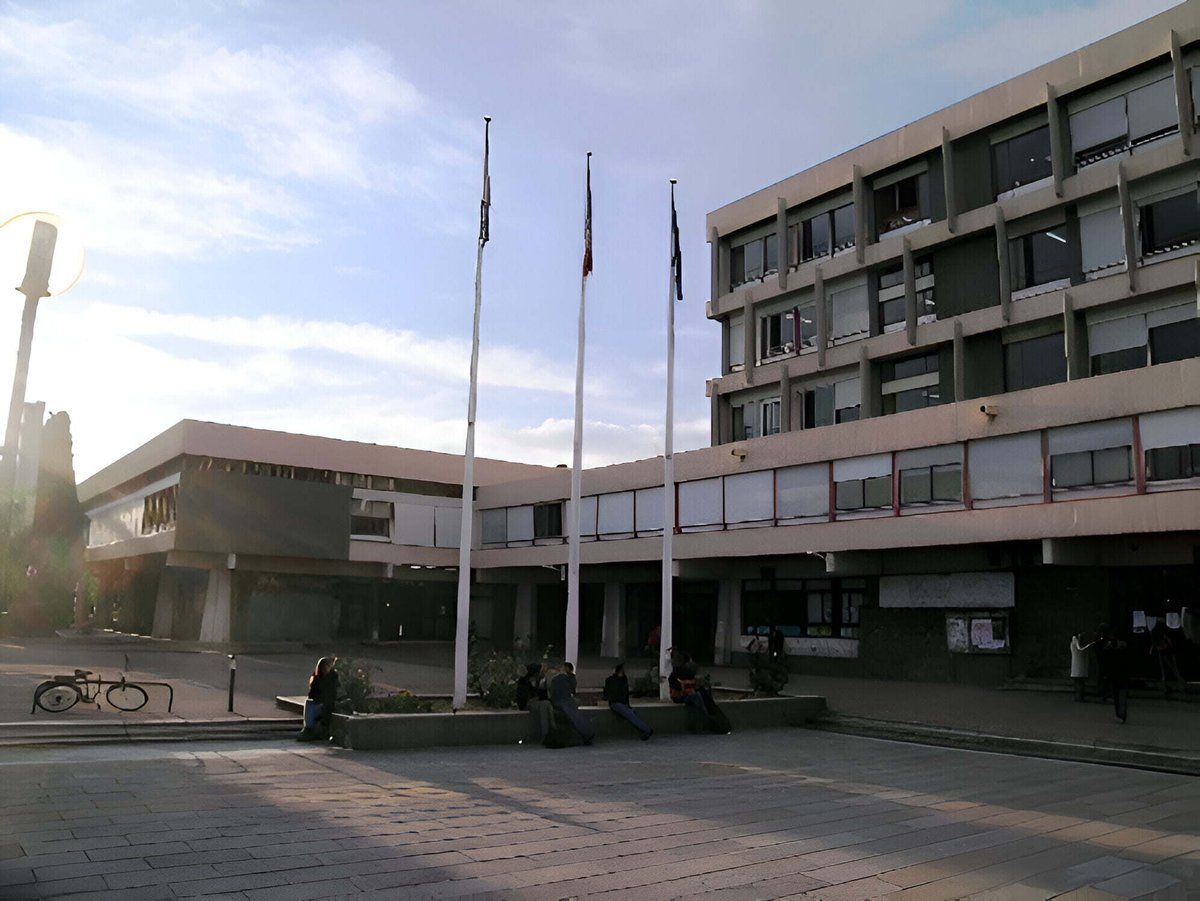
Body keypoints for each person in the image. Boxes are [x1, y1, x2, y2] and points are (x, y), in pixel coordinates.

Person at [548, 661, 594, 745]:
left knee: (572, 715)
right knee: (575, 716)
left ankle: (584, 733)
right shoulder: (568, 678)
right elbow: (571, 690)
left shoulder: (556, 679)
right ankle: (586, 733)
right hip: (567, 701)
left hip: (561, 701)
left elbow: (552, 692)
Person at [603, 663, 652, 740]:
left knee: (631, 714)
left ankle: (644, 731)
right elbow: (608, 694)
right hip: (616, 703)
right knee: (630, 714)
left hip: (620, 703)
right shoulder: (612, 680)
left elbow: (624, 694)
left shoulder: (623, 679)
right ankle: (646, 730)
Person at [299, 656, 339, 741]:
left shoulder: (333, 677)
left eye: (328, 666)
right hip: (319, 703)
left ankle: (322, 730)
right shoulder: (316, 679)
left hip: (329, 702)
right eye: (324, 666)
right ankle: (309, 728)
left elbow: (334, 692)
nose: (326, 668)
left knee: (327, 706)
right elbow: (312, 694)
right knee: (311, 705)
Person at [1149, 619, 1185, 698]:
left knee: (1166, 670)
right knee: (1173, 668)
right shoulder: (1161, 630)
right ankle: (1180, 686)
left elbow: (1156, 643)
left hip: (1163, 650)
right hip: (1165, 649)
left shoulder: (1155, 630)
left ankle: (1170, 687)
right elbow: (1166, 640)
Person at [1069, 630, 1093, 702]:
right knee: (1080, 683)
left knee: (1078, 683)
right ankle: (1079, 697)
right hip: (1080, 667)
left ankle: (1078, 696)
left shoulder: (1075, 645)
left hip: (1078, 667)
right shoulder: (1077, 645)